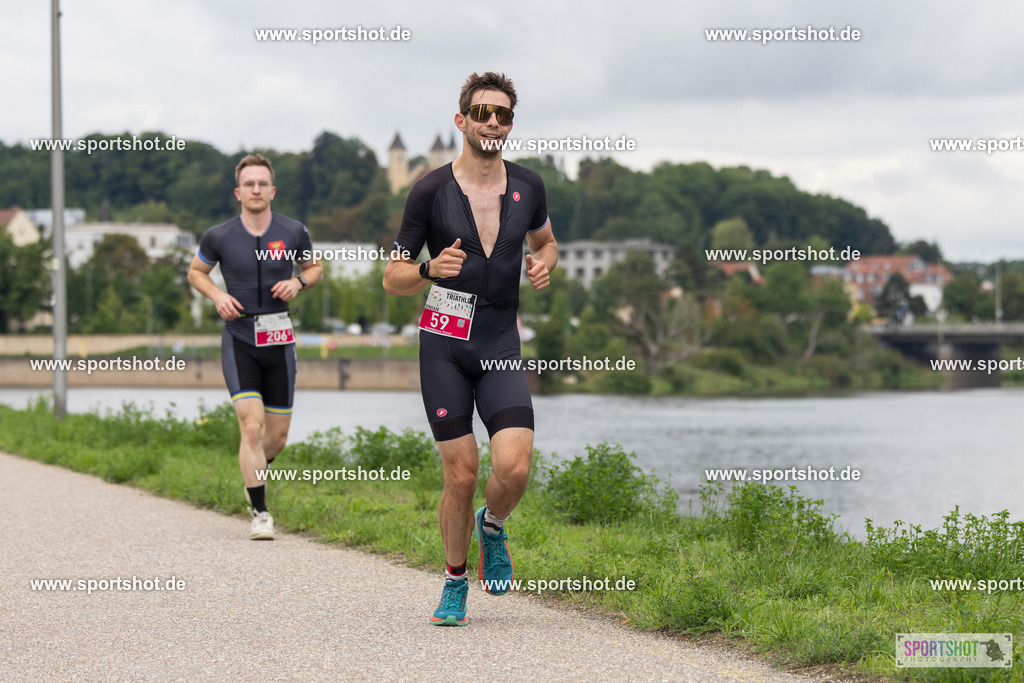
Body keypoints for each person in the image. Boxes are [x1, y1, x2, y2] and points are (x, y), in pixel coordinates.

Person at [383, 72, 558, 625]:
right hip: (445, 341)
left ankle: (493, 525)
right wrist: (429, 269)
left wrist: (543, 264)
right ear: (462, 121)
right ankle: (455, 580)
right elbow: (392, 277)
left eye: (502, 115)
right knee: (460, 473)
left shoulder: (529, 187)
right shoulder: (430, 189)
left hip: (501, 337)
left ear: (510, 125)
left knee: (516, 466)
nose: (491, 122)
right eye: (481, 113)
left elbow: (547, 241)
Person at [188, 153, 323, 540]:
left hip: (279, 340)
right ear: (238, 191)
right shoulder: (219, 236)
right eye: (249, 183)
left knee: (275, 438)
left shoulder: (294, 231)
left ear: (273, 190)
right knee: (251, 427)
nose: (256, 189)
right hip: (240, 338)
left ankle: (252, 477)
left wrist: (299, 283)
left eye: (263, 183)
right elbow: (196, 273)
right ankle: (261, 512)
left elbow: (315, 268)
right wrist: (216, 295)